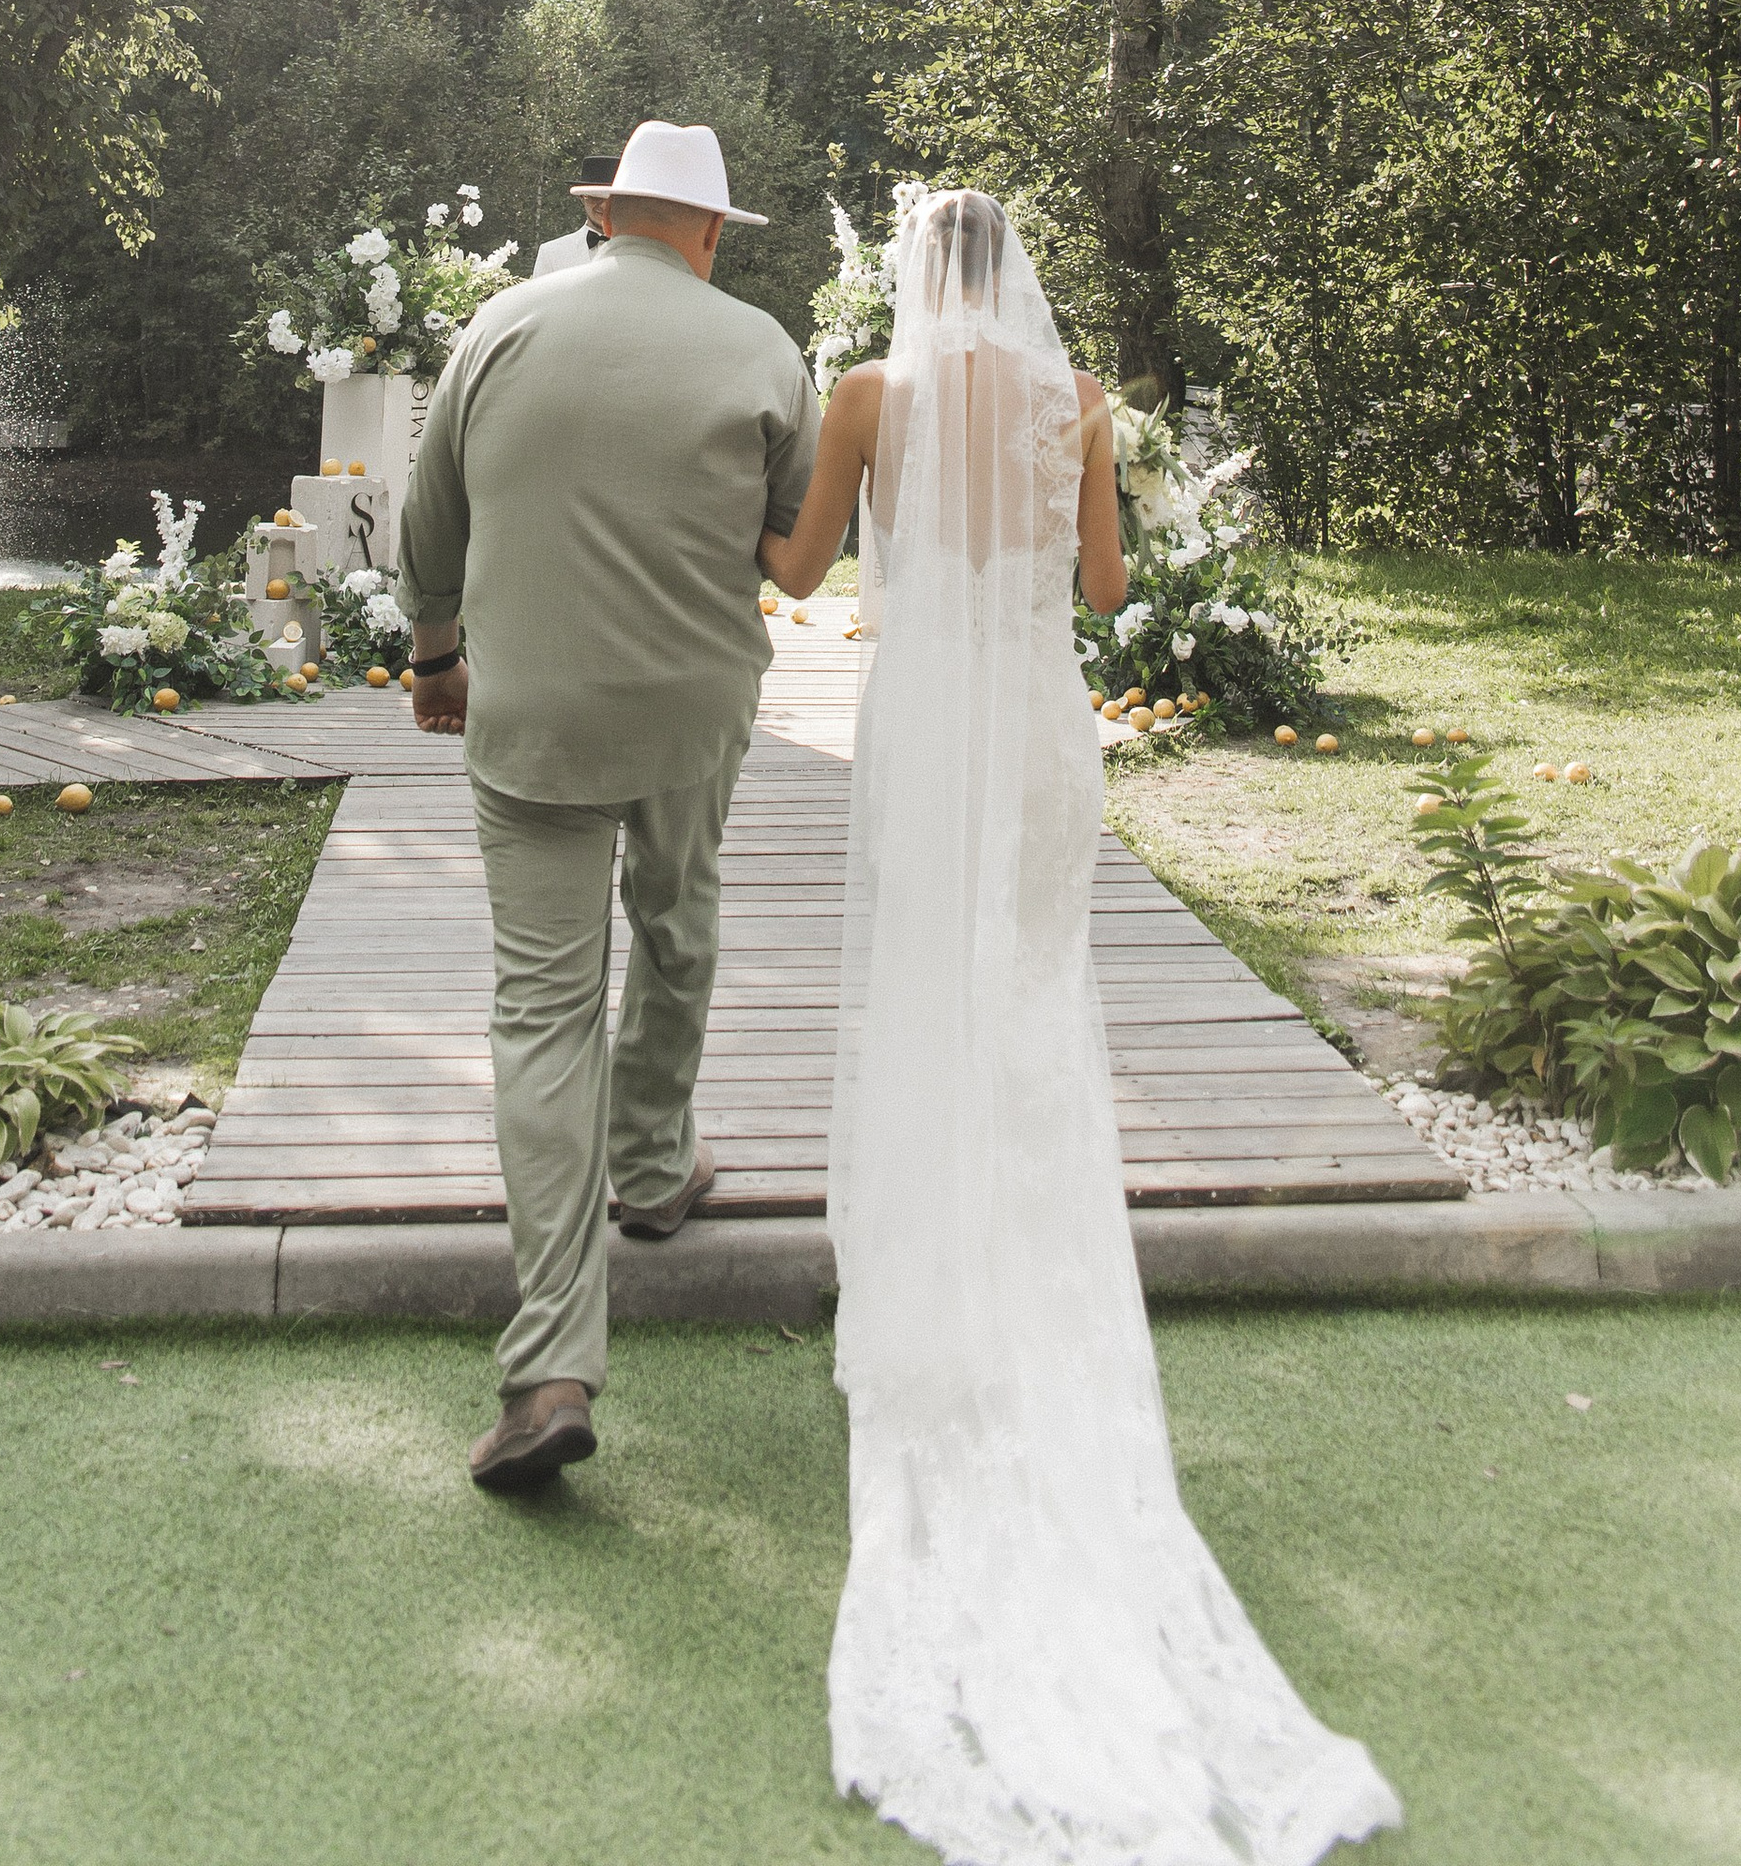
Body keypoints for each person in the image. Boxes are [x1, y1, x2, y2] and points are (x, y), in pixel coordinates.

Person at [760, 190, 1400, 1866]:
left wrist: (734, 514)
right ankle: (1033, 1265)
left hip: (927, 721)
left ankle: (924, 1279)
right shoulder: (1073, 404)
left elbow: (800, 566)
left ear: (914, 276)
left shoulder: (863, 399)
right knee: (1035, 1000)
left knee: (923, 982)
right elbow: (1109, 588)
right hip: (1039, 719)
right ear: (1016, 280)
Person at [396, 116, 821, 1493]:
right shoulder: (759, 347)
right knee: (681, 928)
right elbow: (796, 542)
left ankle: (551, 1368)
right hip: (692, 716)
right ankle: (652, 1167)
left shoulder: (502, 326)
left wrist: (436, 652)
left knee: (540, 1010)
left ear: (606, 214)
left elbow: (430, 517)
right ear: (702, 232)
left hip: (531, 718)